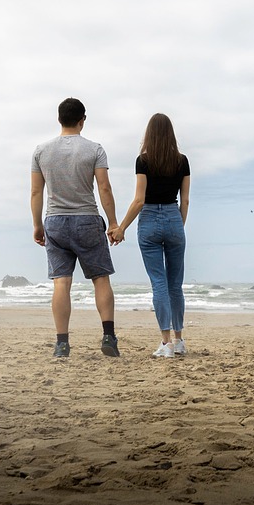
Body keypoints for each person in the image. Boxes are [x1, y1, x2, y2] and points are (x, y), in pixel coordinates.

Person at [31, 97, 121, 358]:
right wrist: (113, 222)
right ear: (83, 120)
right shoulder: (95, 149)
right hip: (87, 220)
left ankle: (62, 343)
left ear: (59, 119)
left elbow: (36, 192)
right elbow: (104, 187)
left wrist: (37, 225)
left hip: (55, 221)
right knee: (100, 278)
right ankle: (108, 336)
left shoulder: (41, 151)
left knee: (61, 282)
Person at [111, 113, 190, 358]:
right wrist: (178, 225)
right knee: (175, 285)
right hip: (174, 218)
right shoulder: (182, 161)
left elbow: (139, 199)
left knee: (159, 283)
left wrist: (121, 228)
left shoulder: (143, 161)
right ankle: (179, 341)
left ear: (149, 134)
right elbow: (185, 200)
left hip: (149, 220)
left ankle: (165, 343)